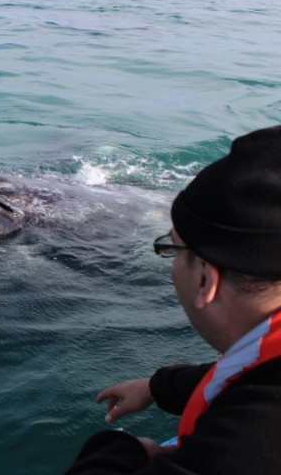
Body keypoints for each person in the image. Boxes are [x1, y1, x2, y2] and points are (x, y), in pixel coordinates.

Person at [66, 124, 281, 474]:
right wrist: (158, 388)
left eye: (171, 248)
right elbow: (254, 373)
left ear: (204, 278)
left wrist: (124, 450)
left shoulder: (253, 442)